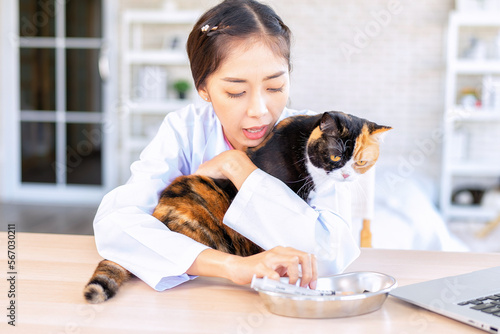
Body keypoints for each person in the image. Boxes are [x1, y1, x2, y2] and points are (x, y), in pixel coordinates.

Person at [94, 0, 359, 292]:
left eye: (275, 87)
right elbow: (115, 225)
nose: (259, 110)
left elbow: (330, 255)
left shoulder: (317, 140)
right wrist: (233, 266)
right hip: (198, 298)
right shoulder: (185, 129)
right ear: (203, 89)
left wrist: (237, 167)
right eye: (236, 91)